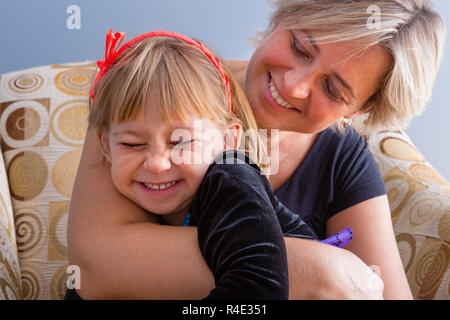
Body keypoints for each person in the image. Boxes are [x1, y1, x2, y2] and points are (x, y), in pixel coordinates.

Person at [67, 0, 445, 299]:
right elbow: (97, 267)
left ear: (359, 109)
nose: (295, 85)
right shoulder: (159, 84)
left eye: (333, 90)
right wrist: (315, 270)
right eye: (299, 47)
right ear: (280, 17)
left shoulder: (342, 159)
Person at [66, 30, 320, 300]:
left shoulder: (233, 182)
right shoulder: (117, 203)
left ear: (228, 140)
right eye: (132, 144)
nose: (156, 163)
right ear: (104, 146)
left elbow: (257, 291)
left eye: (181, 142)